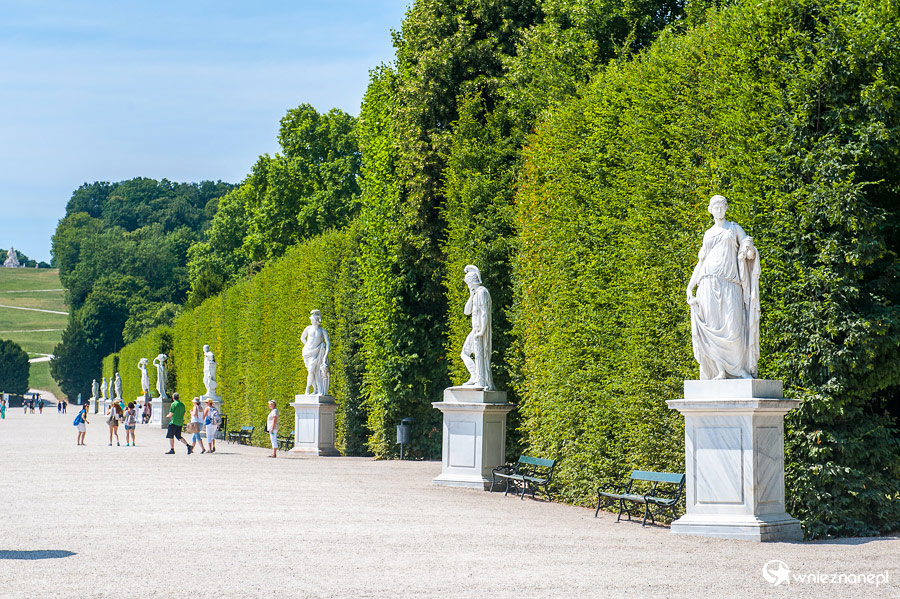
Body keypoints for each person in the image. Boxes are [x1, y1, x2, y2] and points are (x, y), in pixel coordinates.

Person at [686, 195, 761, 380]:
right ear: (710, 210)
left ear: (726, 208)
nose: (719, 210)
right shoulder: (708, 234)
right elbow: (700, 262)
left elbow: (748, 249)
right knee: (713, 326)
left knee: (733, 326)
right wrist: (690, 287)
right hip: (707, 283)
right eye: (715, 207)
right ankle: (720, 370)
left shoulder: (734, 228)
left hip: (730, 283)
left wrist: (750, 251)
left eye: (721, 206)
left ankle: (740, 370)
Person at [460, 265, 494, 390]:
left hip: (479, 330)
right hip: (475, 330)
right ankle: (474, 376)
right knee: (464, 353)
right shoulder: (475, 294)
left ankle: (481, 381)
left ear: (471, 281)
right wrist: (470, 295)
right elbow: (466, 312)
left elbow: (484, 313)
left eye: (467, 283)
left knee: (480, 355)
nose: (467, 285)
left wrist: (482, 331)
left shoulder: (482, 292)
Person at [300, 310, 331, 395]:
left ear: (316, 321)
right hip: (307, 352)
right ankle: (315, 390)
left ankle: (307, 389)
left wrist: (325, 356)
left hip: (316, 352)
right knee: (311, 371)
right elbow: (302, 338)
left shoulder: (323, 331)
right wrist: (307, 346)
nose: (311, 321)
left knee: (311, 370)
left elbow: (328, 344)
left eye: (312, 320)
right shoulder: (308, 328)